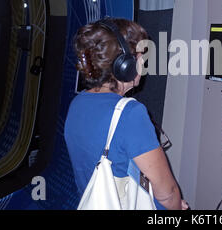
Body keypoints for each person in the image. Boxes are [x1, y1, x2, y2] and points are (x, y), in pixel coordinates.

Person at [64, 17, 188, 210]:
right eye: (141, 57)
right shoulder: (130, 114)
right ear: (125, 65)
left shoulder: (77, 103)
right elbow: (167, 192)